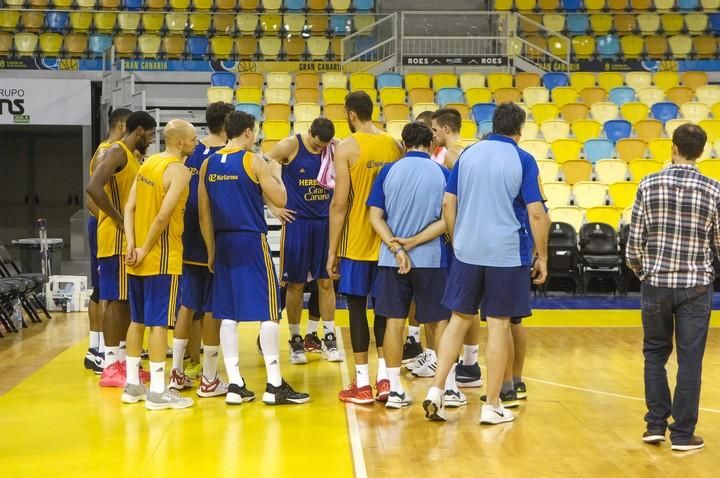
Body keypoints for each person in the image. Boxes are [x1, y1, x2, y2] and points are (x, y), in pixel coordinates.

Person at [423, 103, 549, 424]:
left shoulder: (467, 155)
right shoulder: (522, 159)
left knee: (458, 320)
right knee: (498, 325)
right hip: (506, 253)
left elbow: (448, 202)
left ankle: (436, 389)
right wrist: (543, 255)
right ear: (519, 130)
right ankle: (492, 404)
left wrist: (458, 237)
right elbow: (536, 212)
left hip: (468, 250)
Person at [198, 111, 310, 406]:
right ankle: (274, 385)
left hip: (222, 242)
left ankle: (235, 383)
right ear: (247, 132)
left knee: (228, 314)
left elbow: (204, 212)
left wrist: (211, 248)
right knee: (270, 312)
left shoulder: (208, 163)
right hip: (250, 240)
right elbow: (282, 199)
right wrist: (276, 171)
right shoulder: (252, 160)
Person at [626, 123, 716, 452]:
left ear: (673, 147)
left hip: (656, 283)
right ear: (702, 151)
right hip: (695, 284)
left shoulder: (648, 184)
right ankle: (682, 434)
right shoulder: (714, 189)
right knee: (690, 360)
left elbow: (634, 243)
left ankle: (654, 425)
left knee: (654, 354)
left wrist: (643, 271)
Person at [367, 122, 459, 409]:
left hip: (391, 259)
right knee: (438, 322)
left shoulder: (388, 171)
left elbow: (374, 216)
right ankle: (448, 388)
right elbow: (448, 216)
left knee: (394, 321)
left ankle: (394, 390)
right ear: (431, 143)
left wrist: (396, 247)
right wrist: (414, 241)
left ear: (404, 143)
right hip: (431, 259)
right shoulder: (442, 172)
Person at [327, 91, 403, 404]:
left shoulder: (346, 147)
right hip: (388, 241)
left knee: (357, 310)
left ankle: (362, 383)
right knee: (386, 311)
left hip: (357, 242)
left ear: (350, 114)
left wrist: (332, 251)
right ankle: (385, 379)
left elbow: (340, 203)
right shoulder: (393, 144)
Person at [121, 119, 196, 410]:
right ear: (179, 142)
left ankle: (133, 385)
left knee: (137, 321)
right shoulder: (178, 171)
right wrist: (144, 247)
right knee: (158, 325)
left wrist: (131, 245)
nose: (195, 143)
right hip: (161, 258)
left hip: (136, 257)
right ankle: (158, 392)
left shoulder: (147, 164)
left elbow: (129, 208)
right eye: (191, 139)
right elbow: (163, 217)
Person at [86, 110, 157, 387]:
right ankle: (110, 364)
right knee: (115, 301)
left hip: (126, 239)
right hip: (115, 238)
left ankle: (125, 363)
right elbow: (93, 187)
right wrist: (117, 218)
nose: (150, 141)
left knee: (125, 300)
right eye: (149, 136)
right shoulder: (117, 152)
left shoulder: (132, 158)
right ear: (139, 131)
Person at [168, 102, 234, 396]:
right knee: (212, 307)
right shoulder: (228, 155)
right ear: (229, 122)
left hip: (185, 234)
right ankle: (209, 377)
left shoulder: (189, 152)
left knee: (187, 304)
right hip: (212, 235)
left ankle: (176, 373)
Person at [266, 117, 343, 364]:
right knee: (295, 285)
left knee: (326, 282)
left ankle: (328, 336)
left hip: (325, 223)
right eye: (317, 144)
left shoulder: (335, 147)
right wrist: (273, 204)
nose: (320, 150)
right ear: (308, 132)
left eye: (324, 146)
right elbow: (264, 164)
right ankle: (296, 338)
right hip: (297, 223)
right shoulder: (291, 144)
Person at [84, 107, 131, 374]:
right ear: (122, 125)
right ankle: (99, 349)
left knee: (108, 291)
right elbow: (92, 195)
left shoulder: (116, 152)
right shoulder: (108, 151)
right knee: (105, 291)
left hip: (110, 223)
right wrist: (112, 218)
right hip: (106, 226)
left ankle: (106, 348)